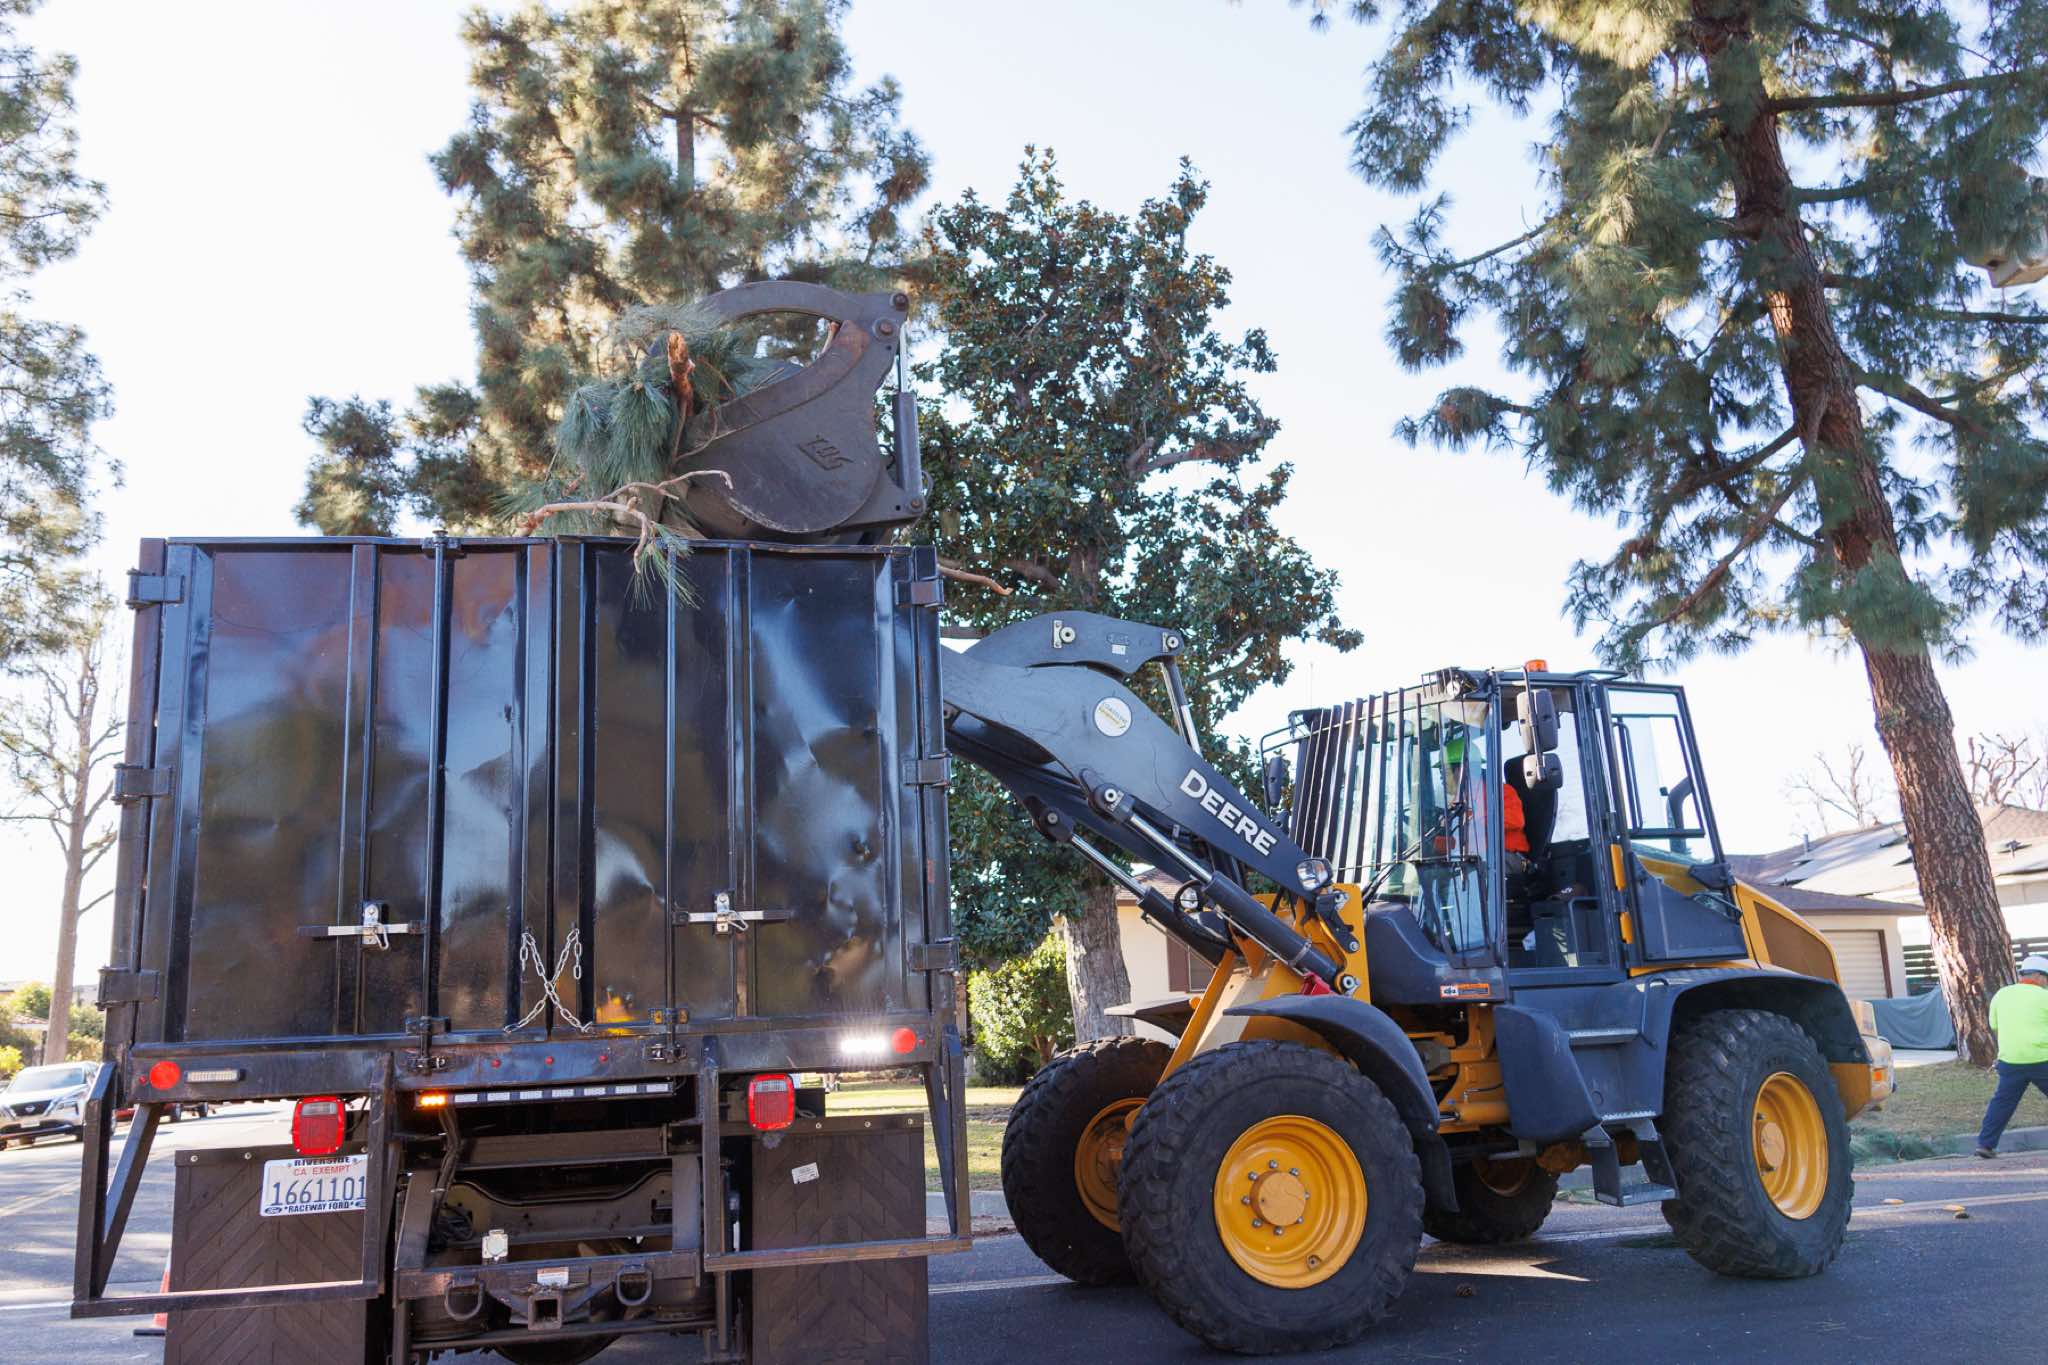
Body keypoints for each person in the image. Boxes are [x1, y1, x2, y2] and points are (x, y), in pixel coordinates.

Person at [1976, 954, 2048, 1158]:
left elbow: (1994, 1025)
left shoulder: (2002, 995)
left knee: (2003, 1103)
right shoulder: (2044, 997)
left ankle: (1985, 1145)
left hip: (2011, 1060)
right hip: (2042, 1059)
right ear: (2038, 976)